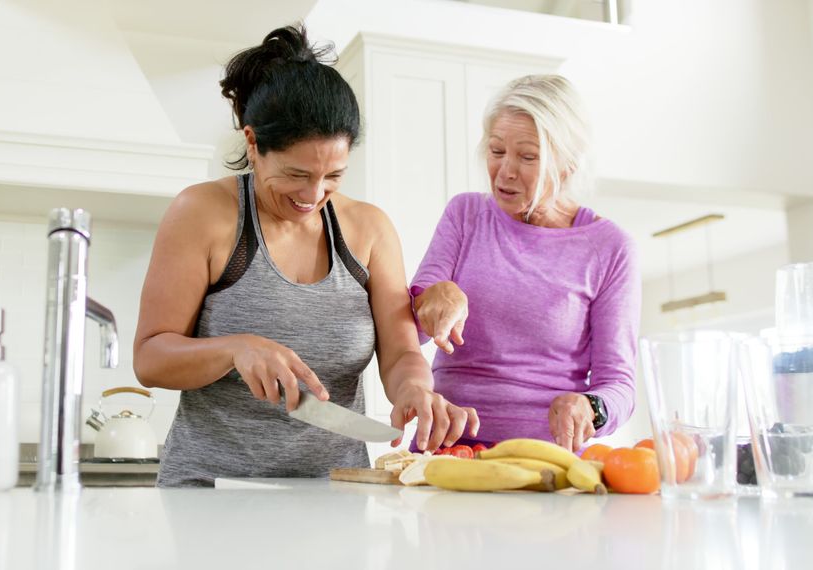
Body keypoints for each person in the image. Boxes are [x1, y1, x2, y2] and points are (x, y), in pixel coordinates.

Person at [133, 24, 478, 487]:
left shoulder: (370, 230)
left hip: (336, 492)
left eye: (334, 175)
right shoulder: (202, 214)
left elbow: (400, 355)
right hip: (209, 493)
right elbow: (151, 358)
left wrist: (416, 389)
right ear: (253, 143)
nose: (313, 194)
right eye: (296, 173)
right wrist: (236, 348)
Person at [409, 74, 640, 453]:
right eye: (497, 151)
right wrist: (432, 297)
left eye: (528, 157)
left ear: (567, 164)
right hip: (448, 450)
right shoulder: (465, 215)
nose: (506, 171)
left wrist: (590, 407)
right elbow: (411, 329)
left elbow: (618, 383)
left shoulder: (610, 248)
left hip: (542, 461)